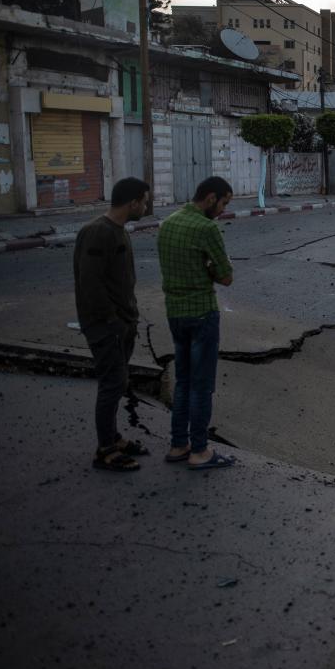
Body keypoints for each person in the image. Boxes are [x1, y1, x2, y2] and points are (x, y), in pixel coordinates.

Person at [74, 177, 152, 471]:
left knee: (118, 382)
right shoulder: (97, 232)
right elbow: (90, 283)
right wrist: (113, 321)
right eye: (144, 201)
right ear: (132, 203)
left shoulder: (118, 230)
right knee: (111, 384)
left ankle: (113, 437)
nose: (146, 206)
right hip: (106, 325)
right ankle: (105, 450)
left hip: (122, 323)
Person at [158, 177, 236, 470]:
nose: (223, 210)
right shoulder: (207, 228)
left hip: (174, 313)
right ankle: (200, 450)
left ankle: (179, 444)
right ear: (211, 197)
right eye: (224, 203)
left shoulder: (168, 224)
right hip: (202, 314)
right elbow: (226, 277)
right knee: (201, 386)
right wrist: (210, 268)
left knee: (183, 381)